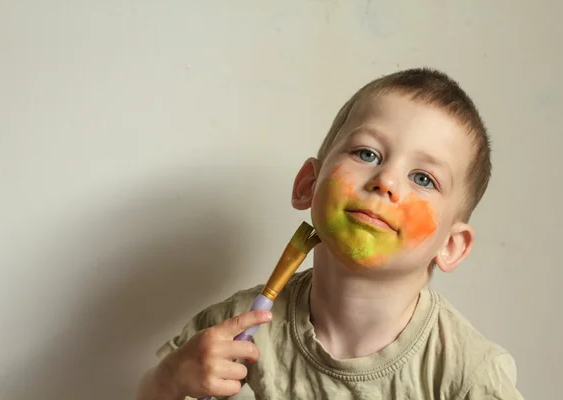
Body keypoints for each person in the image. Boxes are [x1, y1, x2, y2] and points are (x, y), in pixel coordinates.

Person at [136, 68, 524, 399]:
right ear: (308, 184)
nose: (386, 180)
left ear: (452, 247)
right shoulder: (232, 328)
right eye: (367, 154)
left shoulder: (469, 374)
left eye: (423, 178)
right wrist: (167, 378)